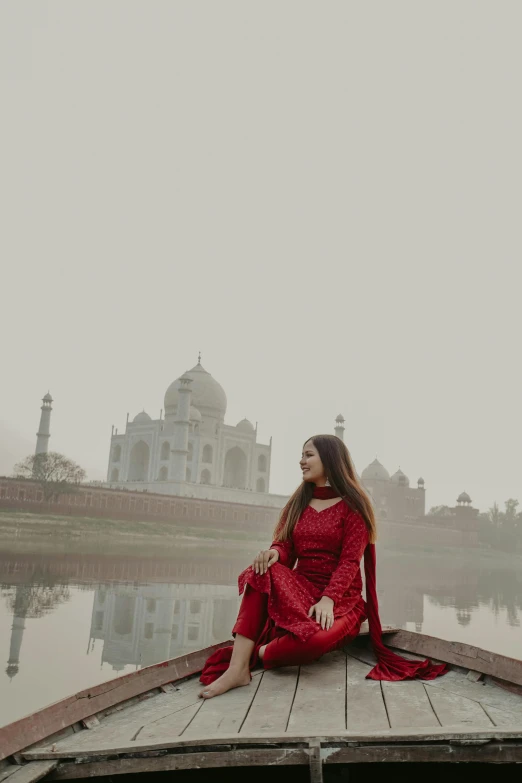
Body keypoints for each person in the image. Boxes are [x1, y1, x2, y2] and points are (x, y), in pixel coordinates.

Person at [199, 434, 447, 698]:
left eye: (308, 455)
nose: (301, 461)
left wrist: (329, 599)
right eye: (302, 455)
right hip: (301, 589)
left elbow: (350, 562)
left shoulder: (354, 507)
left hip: (342, 600)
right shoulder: (298, 503)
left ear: (329, 459)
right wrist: (273, 553)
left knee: (312, 643)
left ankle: (256, 651)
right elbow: (285, 547)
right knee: (260, 570)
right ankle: (238, 669)